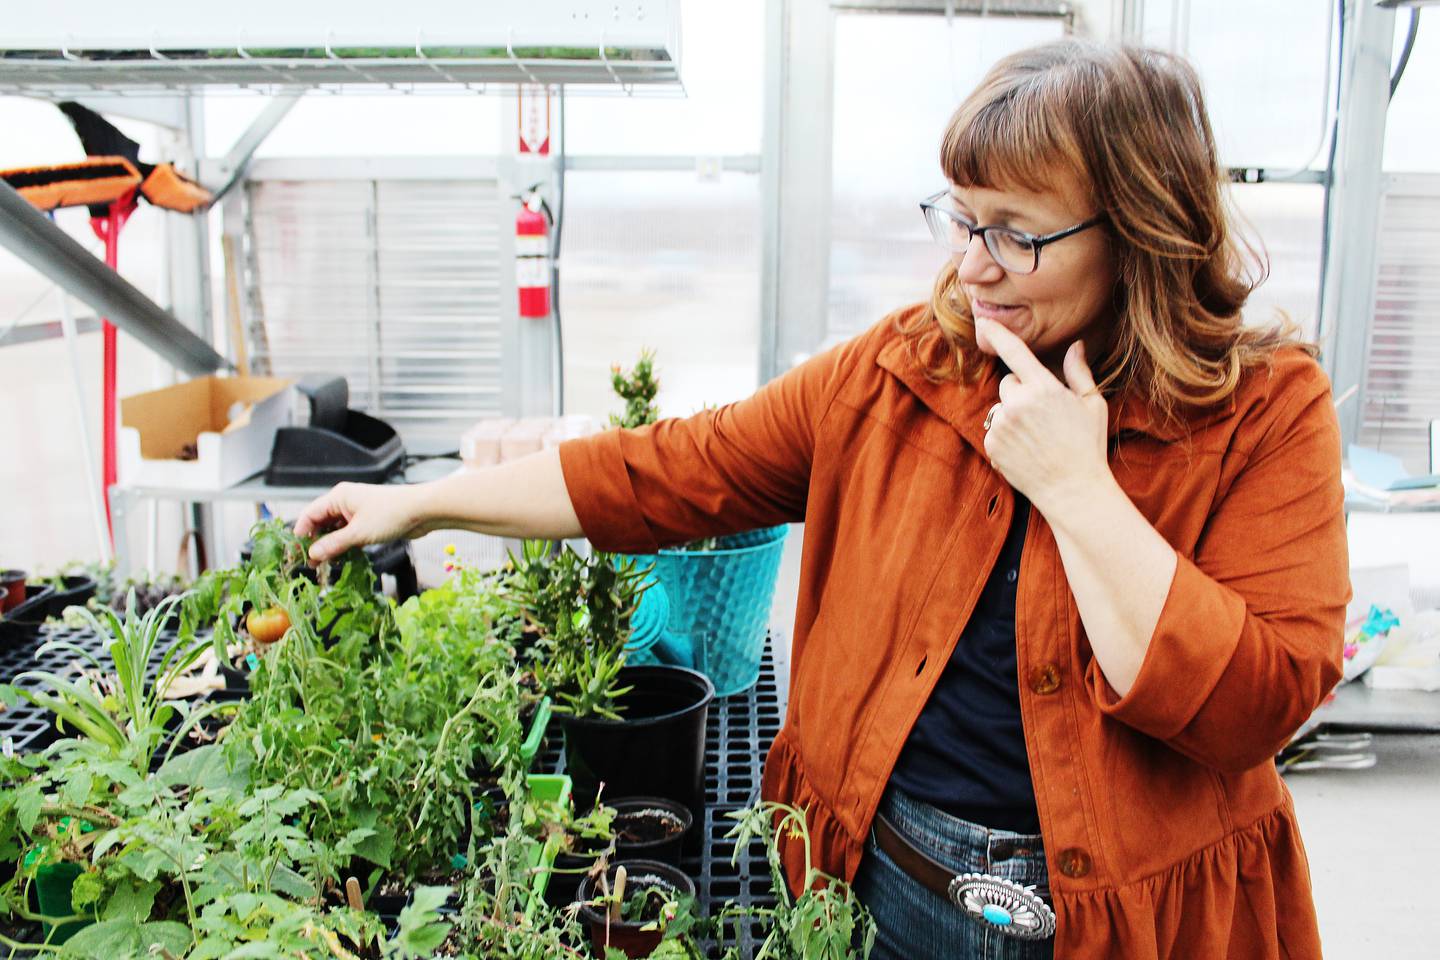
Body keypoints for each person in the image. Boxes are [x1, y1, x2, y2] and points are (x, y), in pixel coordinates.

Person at [296, 39, 1347, 960]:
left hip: (1131, 925)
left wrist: (1080, 488)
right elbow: (669, 470)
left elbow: (1259, 701)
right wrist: (423, 505)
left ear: (1138, 227)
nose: (973, 268)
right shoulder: (901, 371)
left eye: (1015, 233)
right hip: (888, 886)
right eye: (962, 221)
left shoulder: (1262, 408)